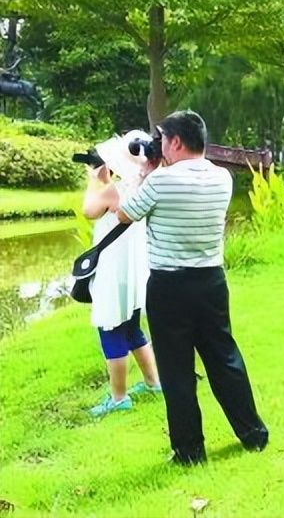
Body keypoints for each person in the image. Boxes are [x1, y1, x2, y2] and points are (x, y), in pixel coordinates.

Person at [117, 110, 268, 465]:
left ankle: (189, 451)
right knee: (225, 358)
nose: (160, 146)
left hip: (169, 285)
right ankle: (253, 433)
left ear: (175, 141)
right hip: (212, 281)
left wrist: (142, 172)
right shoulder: (224, 178)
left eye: (162, 139)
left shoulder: (159, 182)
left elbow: (125, 213)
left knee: (176, 369)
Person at [82, 131, 161, 418]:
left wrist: (95, 178)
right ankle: (153, 383)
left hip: (112, 270)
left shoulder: (112, 191)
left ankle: (118, 398)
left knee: (110, 328)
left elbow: (89, 210)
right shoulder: (146, 185)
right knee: (132, 328)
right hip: (135, 268)